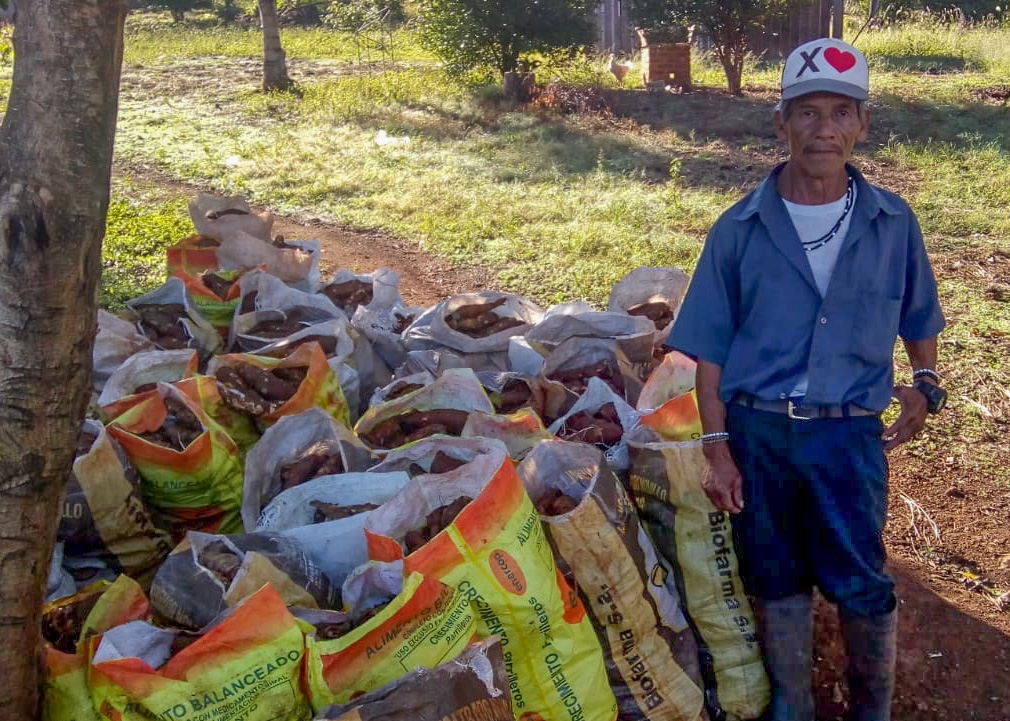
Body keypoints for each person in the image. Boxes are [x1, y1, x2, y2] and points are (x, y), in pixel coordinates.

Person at [666, 38, 946, 721]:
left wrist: (926, 377)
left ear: (862, 125)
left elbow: (919, 313)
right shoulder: (737, 228)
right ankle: (792, 704)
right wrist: (717, 446)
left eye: (841, 113)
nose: (824, 129)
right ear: (780, 123)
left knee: (860, 578)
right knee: (774, 573)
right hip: (759, 432)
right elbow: (710, 353)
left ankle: (870, 709)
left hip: (847, 436)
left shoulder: (893, 222)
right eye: (808, 112)